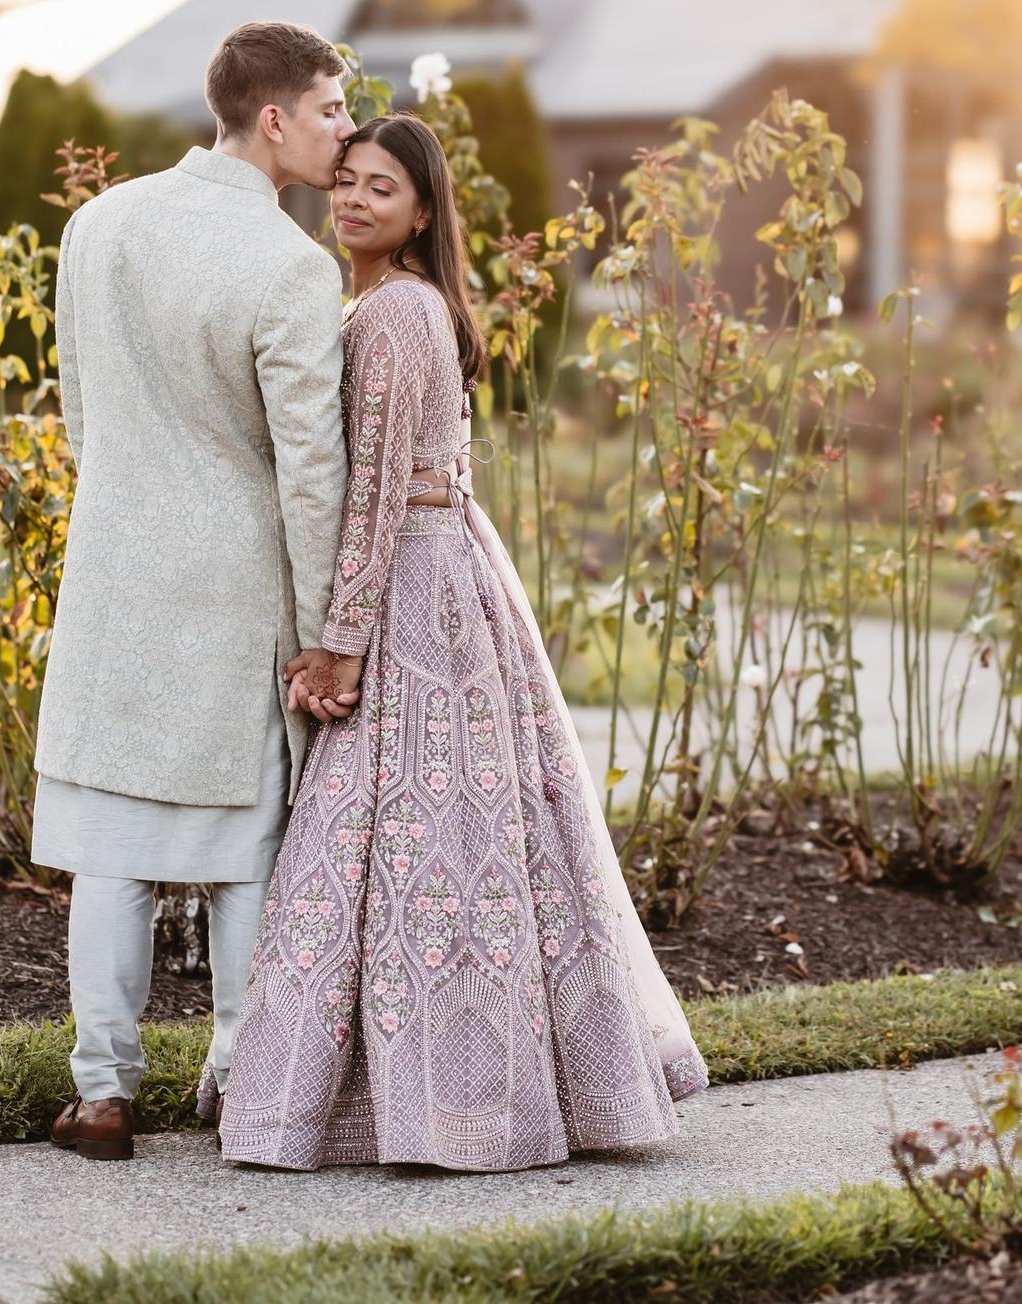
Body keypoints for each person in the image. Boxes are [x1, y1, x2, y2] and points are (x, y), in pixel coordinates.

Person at [218, 112, 708, 1173]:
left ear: (423, 210)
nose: (351, 199)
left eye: (379, 188)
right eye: (343, 179)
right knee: (441, 840)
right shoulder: (389, 302)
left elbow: (378, 492)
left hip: (418, 591)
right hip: (440, 570)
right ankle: (449, 1087)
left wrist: (340, 640)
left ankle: (445, 1098)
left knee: (411, 840)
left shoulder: (394, 311)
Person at [34, 20, 362, 1162]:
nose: (345, 130)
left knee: (109, 839)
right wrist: (331, 630)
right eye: (330, 109)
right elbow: (311, 467)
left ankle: (101, 1093)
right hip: (237, 583)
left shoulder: (96, 225)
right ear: (272, 120)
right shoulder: (291, 266)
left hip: (114, 563)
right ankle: (234, 1075)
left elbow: (80, 412)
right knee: (241, 841)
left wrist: (129, 501)